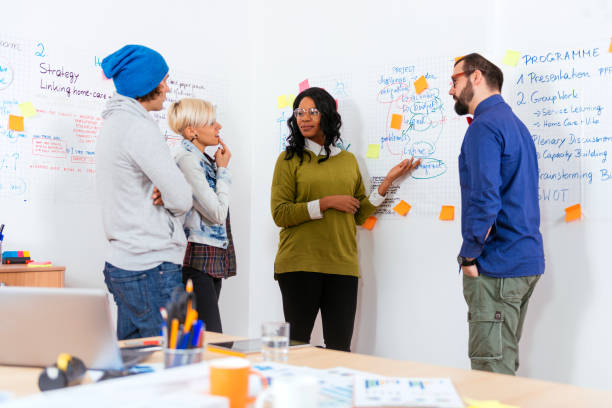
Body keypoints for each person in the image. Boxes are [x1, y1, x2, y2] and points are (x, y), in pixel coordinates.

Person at [271, 87, 420, 351]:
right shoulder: (289, 159)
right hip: (299, 265)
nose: (304, 118)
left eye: (312, 112)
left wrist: (387, 182)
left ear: (326, 115)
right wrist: (327, 203)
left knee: (340, 349)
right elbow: (280, 213)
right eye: (299, 112)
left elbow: (359, 213)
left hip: (342, 266)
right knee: (296, 348)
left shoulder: (349, 161)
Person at [449, 53, 545, 375]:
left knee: (490, 377)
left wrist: (469, 256)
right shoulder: (516, 126)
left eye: (455, 80)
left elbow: (485, 200)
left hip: (498, 266)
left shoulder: (484, 127)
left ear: (476, 77)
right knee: (502, 368)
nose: (451, 90)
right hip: (523, 261)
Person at [97, 45, 192, 340]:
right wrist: (171, 196)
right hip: (152, 268)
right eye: (162, 80)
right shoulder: (138, 128)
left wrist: (166, 192)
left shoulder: (114, 124)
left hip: (125, 266)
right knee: (172, 364)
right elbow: (183, 198)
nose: (166, 87)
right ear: (145, 85)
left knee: (135, 366)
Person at [167, 98, 236, 333]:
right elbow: (217, 213)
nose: (219, 127)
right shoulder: (187, 160)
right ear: (191, 131)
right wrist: (223, 171)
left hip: (209, 257)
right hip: (196, 258)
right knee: (211, 339)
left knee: (201, 337)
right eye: (211, 122)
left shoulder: (201, 159)